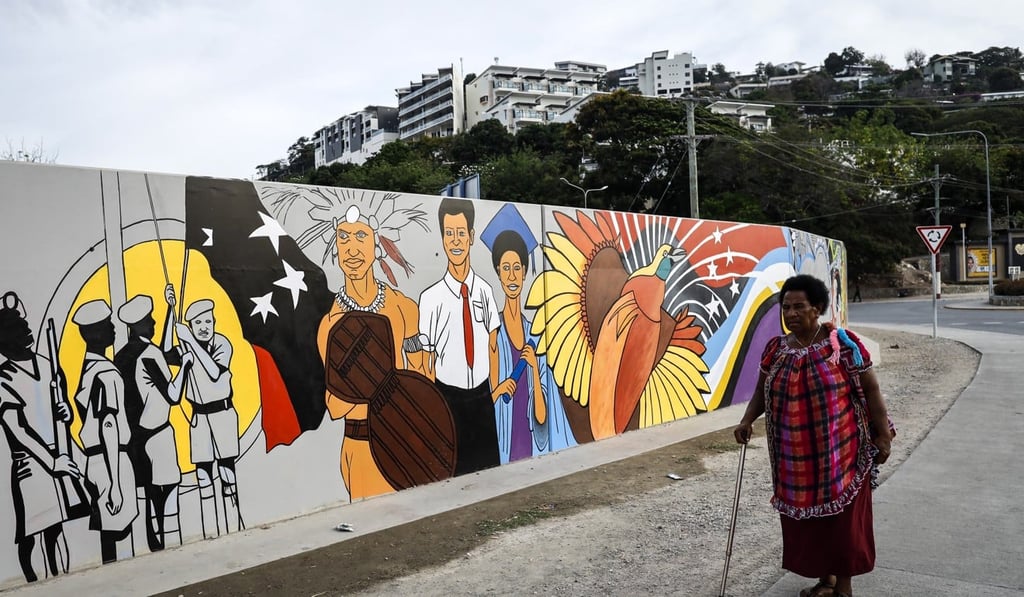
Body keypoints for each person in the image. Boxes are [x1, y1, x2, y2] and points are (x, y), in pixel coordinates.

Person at [733, 274, 893, 597]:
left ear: (817, 308)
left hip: (842, 454)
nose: (791, 313)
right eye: (786, 307)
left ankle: (843, 589)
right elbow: (762, 392)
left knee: (842, 524)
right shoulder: (776, 349)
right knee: (812, 524)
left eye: (799, 307)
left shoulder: (842, 345)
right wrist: (747, 420)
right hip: (796, 460)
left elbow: (870, 387)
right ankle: (827, 580)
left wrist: (883, 435)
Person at [316, 204, 429, 500]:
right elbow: (335, 405)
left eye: (360, 237)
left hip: (405, 442)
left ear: (376, 245)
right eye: (344, 238)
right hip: (360, 446)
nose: (352, 249)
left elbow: (423, 379)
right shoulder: (330, 326)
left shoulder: (404, 308)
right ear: (336, 250)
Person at [0, 291, 81, 581]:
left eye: (21, 321)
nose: (24, 328)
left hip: (57, 457)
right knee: (30, 533)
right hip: (30, 466)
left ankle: (58, 578)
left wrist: (65, 411)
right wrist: (53, 461)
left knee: (55, 527)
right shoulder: (3, 378)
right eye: (14, 325)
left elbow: (65, 408)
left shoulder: (47, 363)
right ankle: (33, 584)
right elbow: (17, 430)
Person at [419, 198, 501, 475]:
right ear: (442, 237)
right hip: (447, 398)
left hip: (481, 396)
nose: (455, 241)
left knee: (490, 471)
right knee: (452, 473)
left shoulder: (484, 291)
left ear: (472, 236)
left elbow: (492, 344)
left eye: (461, 233)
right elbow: (426, 359)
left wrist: (495, 388)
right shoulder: (430, 299)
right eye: (449, 233)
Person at [483, 225, 575, 463]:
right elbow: (487, 402)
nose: (512, 276)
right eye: (505, 268)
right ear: (498, 272)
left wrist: (534, 369)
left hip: (531, 445)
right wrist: (498, 391)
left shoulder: (534, 334)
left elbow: (542, 418)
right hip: (502, 442)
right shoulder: (494, 333)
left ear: (524, 272)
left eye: (516, 268)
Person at [114, 293, 192, 552]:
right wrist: (185, 367)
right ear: (139, 325)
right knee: (167, 492)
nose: (154, 321)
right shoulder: (149, 354)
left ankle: (153, 543)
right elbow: (172, 395)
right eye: (149, 319)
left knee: (147, 495)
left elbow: (163, 348)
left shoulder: (123, 355)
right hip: (158, 436)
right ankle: (169, 542)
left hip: (136, 438)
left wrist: (171, 309)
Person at [163, 292, 242, 538]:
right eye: (198, 323)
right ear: (191, 326)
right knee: (203, 475)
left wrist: (190, 342)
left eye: (208, 321)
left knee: (227, 473)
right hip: (199, 418)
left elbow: (214, 372)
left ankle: (233, 527)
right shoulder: (186, 346)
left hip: (222, 413)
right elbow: (165, 352)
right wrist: (170, 312)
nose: (204, 327)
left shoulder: (221, 344)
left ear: (214, 322)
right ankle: (210, 531)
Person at [72, 299, 137, 564]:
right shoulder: (107, 374)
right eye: (107, 324)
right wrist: (115, 484)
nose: (113, 328)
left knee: (108, 535)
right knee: (118, 534)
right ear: (96, 332)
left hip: (95, 461)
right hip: (112, 460)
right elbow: (108, 424)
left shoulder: (87, 370)